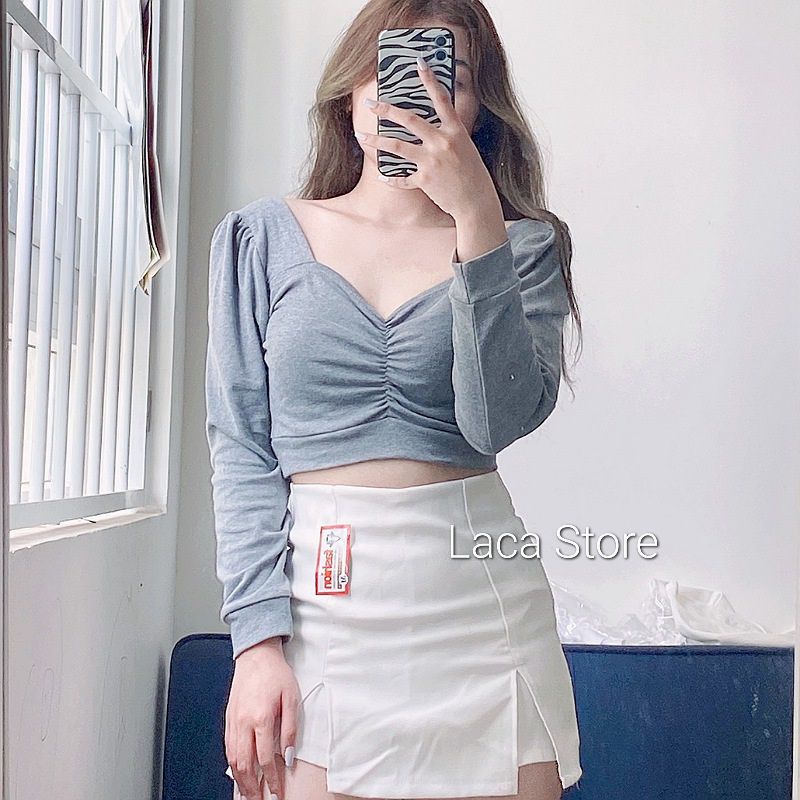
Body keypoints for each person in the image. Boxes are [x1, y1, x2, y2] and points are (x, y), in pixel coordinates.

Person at [205, 2, 584, 799]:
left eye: (449, 75)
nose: (416, 91)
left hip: (482, 614)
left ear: (479, 108)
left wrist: (477, 219)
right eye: (391, 68)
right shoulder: (259, 239)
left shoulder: (524, 245)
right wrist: (256, 644)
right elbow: (240, 446)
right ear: (351, 90)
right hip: (318, 610)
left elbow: (493, 422)